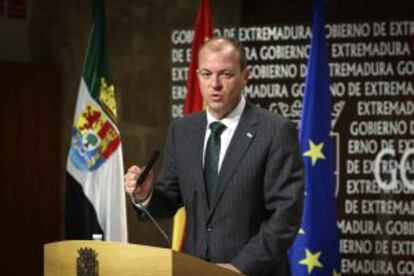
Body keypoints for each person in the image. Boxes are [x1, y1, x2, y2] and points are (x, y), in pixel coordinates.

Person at [124, 37, 304, 276]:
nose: (214, 84)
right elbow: (169, 199)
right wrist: (146, 194)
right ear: (197, 75)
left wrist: (239, 267)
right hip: (195, 270)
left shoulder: (275, 131)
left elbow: (285, 217)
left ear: (245, 76)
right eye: (206, 74)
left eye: (226, 74)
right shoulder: (183, 130)